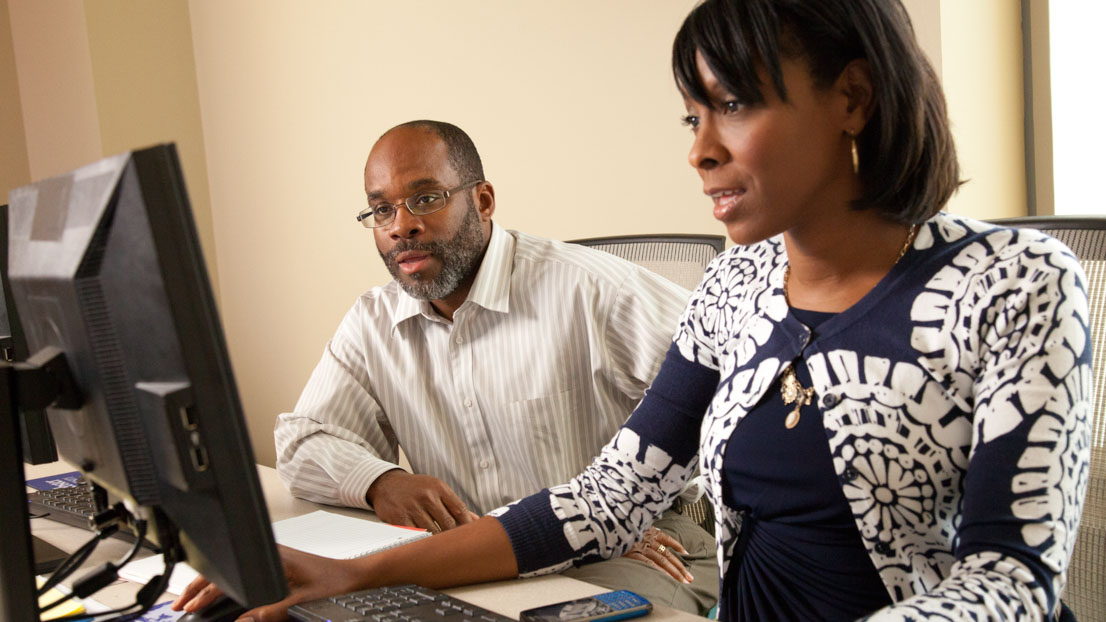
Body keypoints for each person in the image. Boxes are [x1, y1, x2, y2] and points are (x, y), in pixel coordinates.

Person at [176, 1, 1092, 620]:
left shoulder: (1014, 283)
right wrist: (354, 574)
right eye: (689, 116)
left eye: (731, 105)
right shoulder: (736, 293)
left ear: (852, 99)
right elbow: (603, 501)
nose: (700, 151)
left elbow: (1009, 579)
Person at [266, 119, 718, 613]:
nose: (401, 225)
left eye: (425, 198)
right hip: (473, 555)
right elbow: (302, 442)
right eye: (381, 209)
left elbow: (731, 395)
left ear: (482, 201)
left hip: (626, 551)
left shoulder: (593, 292)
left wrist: (624, 513)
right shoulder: (374, 321)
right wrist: (380, 482)